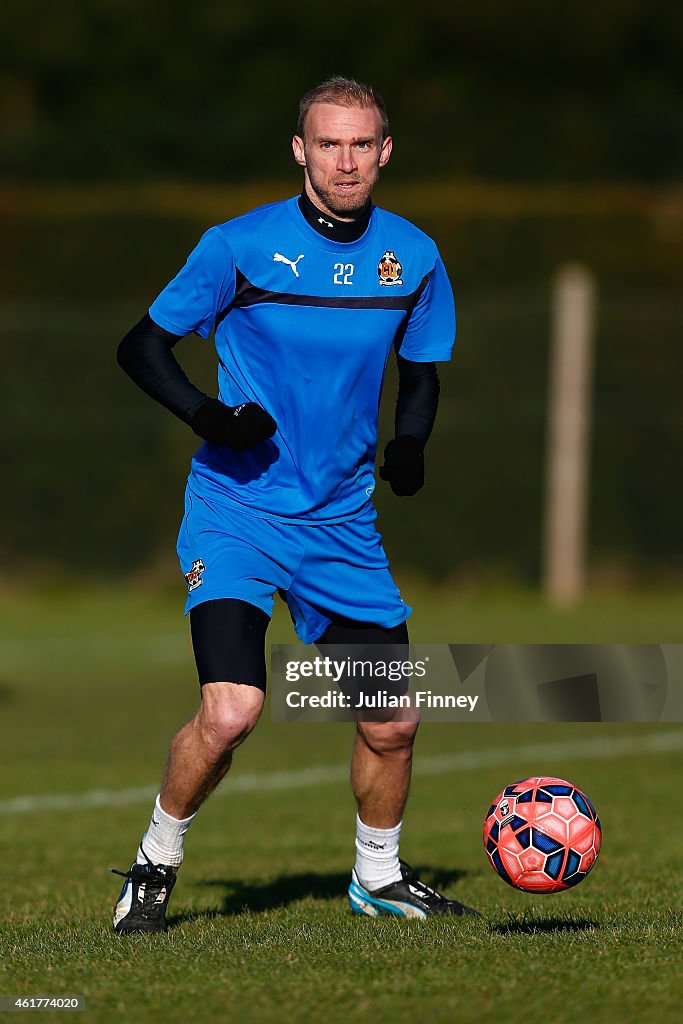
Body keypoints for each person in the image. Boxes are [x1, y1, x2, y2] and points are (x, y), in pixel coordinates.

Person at [112, 75, 478, 933]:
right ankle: (153, 866)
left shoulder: (414, 257)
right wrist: (209, 414)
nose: (344, 162)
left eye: (361, 145)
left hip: (342, 524)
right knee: (232, 710)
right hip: (237, 511)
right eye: (328, 144)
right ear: (299, 151)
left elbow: (420, 372)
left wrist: (411, 444)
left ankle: (377, 879)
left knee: (393, 721)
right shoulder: (238, 246)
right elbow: (140, 347)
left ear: (384, 151)